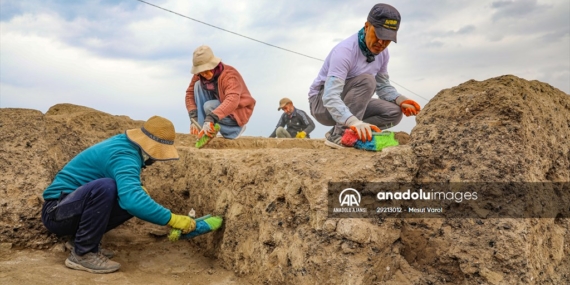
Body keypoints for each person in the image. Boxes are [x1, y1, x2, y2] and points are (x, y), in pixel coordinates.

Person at [41, 116, 196, 274]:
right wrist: (172, 219)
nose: (156, 160)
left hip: (70, 208)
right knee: (109, 187)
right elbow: (133, 201)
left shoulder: (127, 146)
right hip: (56, 211)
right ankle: (83, 253)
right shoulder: (124, 155)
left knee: (131, 194)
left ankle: (79, 241)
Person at [308, 3, 421, 149]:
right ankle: (340, 134)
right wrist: (354, 122)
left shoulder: (383, 54)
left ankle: (345, 131)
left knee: (393, 113)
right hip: (321, 104)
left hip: (349, 103)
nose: (381, 43)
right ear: (367, 26)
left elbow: (383, 86)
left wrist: (400, 100)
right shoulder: (345, 52)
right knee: (367, 80)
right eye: (379, 35)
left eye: (387, 39)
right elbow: (330, 96)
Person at [186, 45, 256, 140]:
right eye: (201, 72)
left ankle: (234, 130)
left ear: (213, 65)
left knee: (209, 106)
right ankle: (203, 130)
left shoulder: (229, 75)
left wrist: (211, 117)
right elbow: (189, 94)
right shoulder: (199, 75)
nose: (204, 75)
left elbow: (232, 100)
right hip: (218, 105)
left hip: (237, 112)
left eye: (206, 71)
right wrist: (193, 117)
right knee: (197, 85)